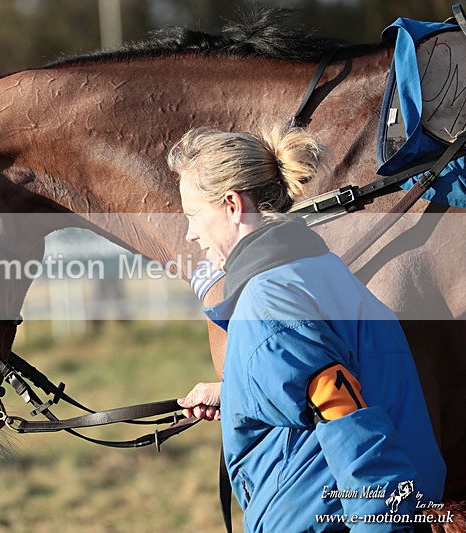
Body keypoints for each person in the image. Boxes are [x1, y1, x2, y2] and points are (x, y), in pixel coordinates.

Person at [168, 123, 445, 532]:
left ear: (231, 205)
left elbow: (351, 428)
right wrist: (239, 392)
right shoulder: (322, 270)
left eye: (193, 215)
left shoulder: (268, 305)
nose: (190, 234)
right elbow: (341, 381)